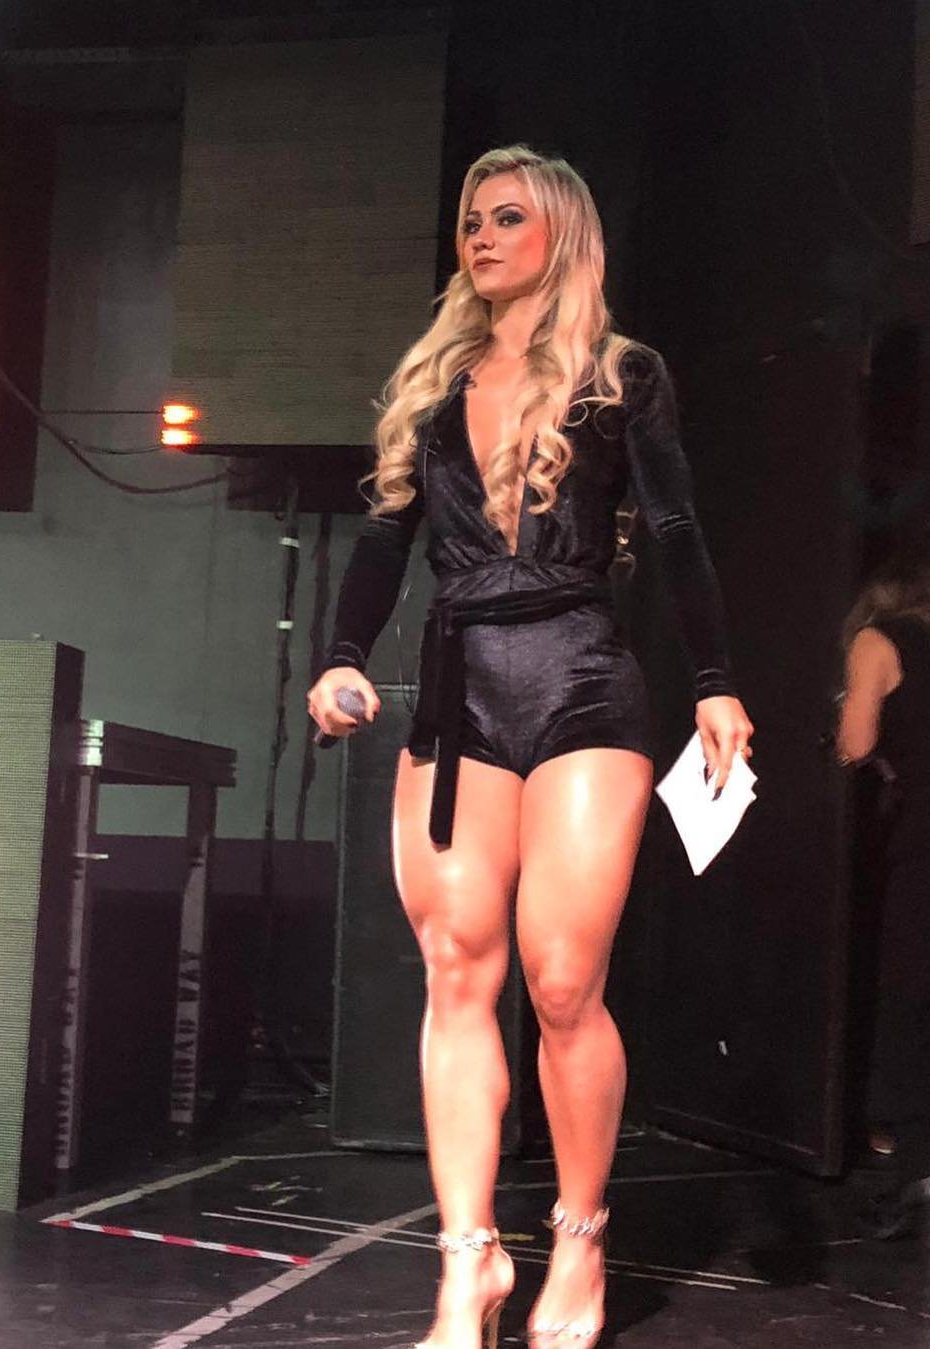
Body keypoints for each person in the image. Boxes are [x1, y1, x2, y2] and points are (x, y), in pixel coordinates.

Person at [307, 145, 753, 1348]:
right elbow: (384, 537)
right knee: (457, 969)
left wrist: (715, 682)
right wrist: (342, 655)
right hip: (461, 686)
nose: (482, 236)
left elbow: (676, 528)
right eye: (471, 219)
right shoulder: (436, 381)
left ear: (562, 233)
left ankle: (579, 1233)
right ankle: (469, 1263)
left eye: (508, 217)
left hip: (583, 680)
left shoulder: (621, 373)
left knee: (561, 981)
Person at [838, 547, 930, 1236]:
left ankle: (909, 1164)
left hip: (920, 832)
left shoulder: (878, 641)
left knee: (907, 992)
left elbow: (856, 742)